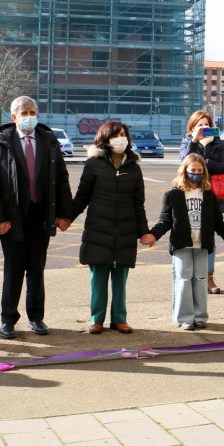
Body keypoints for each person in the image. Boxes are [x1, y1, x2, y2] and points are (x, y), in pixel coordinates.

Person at [0, 96, 74, 339]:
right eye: (25, 112)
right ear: (14, 117)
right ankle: (8, 320)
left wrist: (65, 214)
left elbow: (61, 179)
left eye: (33, 112)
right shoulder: (1, 143)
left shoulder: (49, 141)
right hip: (12, 218)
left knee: (37, 270)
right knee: (13, 271)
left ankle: (36, 318)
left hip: (40, 215)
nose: (30, 116)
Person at [69, 121, 152, 335]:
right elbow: (81, 198)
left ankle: (119, 319)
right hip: (98, 230)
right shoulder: (93, 164)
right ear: (105, 139)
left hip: (125, 232)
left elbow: (138, 204)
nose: (121, 138)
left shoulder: (133, 168)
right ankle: (97, 319)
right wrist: (66, 218)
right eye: (116, 135)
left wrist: (144, 231)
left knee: (120, 281)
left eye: (124, 134)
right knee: (98, 280)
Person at [149, 155, 224, 331]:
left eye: (200, 171)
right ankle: (184, 318)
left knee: (200, 280)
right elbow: (165, 220)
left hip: (202, 244)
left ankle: (200, 316)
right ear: (184, 171)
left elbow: (218, 221)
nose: (196, 174)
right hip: (182, 244)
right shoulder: (173, 195)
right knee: (183, 279)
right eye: (192, 171)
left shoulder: (209, 195)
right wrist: (153, 235)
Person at [178, 110, 224, 294]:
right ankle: (192, 275)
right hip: (190, 196)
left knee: (209, 238)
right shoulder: (187, 142)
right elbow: (185, 162)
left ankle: (208, 277)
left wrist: (203, 163)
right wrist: (194, 141)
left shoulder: (218, 143)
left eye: (207, 124)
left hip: (212, 195)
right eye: (200, 124)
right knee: (191, 237)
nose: (204, 128)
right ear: (192, 127)